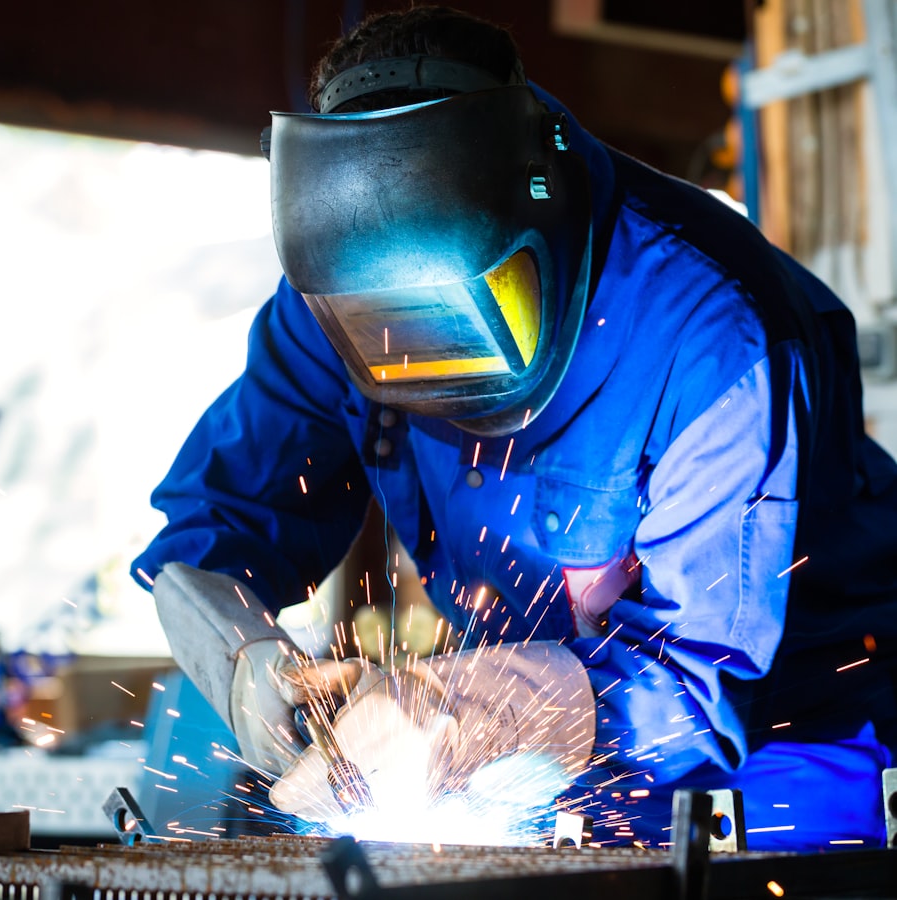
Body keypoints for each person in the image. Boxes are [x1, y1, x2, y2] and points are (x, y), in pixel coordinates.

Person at [132, 5, 897, 850]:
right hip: (516, 763)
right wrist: (246, 662)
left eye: (457, 319)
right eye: (380, 334)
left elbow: (699, 684)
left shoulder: (711, 336)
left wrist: (462, 712)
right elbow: (213, 529)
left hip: (775, 753)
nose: (430, 368)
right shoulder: (333, 299)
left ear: (541, 212)